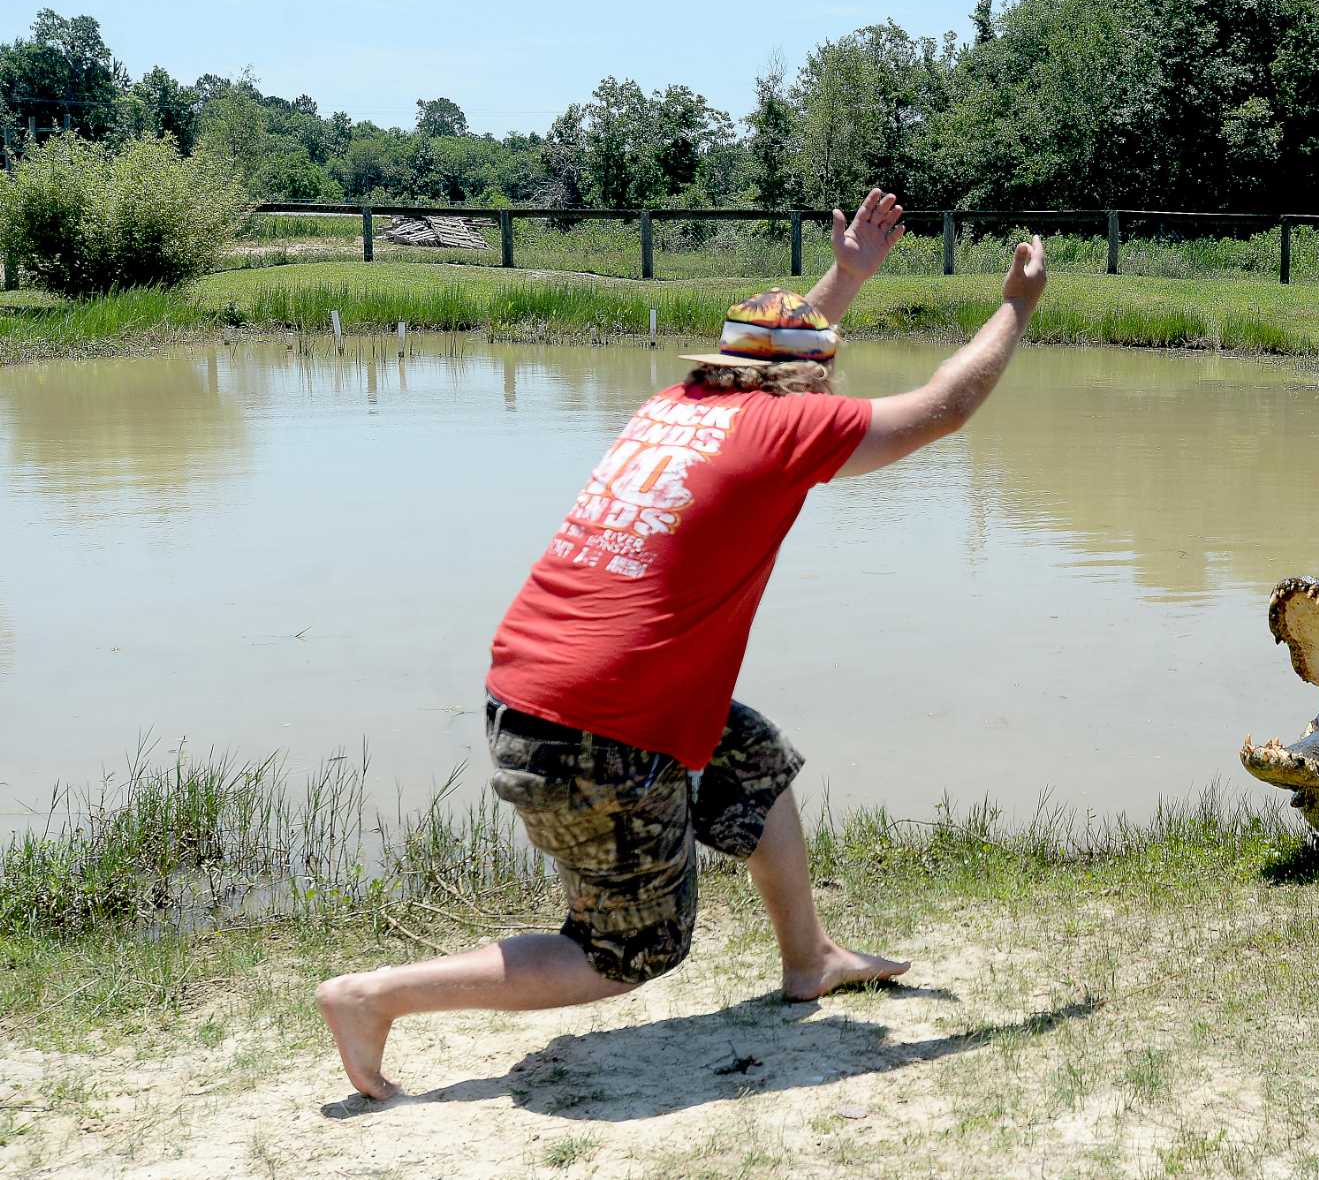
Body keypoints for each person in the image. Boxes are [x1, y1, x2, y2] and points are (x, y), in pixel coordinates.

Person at [317, 189, 1049, 1101]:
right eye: (822, 370)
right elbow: (943, 407)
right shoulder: (792, 426)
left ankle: (809, 958)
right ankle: (373, 997)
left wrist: (850, 275)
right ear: (808, 382)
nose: (827, 380)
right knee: (629, 950)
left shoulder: (682, 403)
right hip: (598, 726)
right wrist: (1015, 310)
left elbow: (780, 347)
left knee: (750, 757)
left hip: (545, 687)